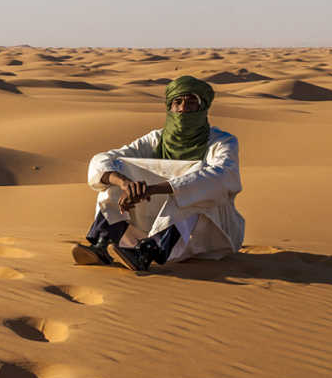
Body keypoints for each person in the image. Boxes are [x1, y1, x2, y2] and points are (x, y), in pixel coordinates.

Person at [72, 75, 244, 272]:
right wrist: (124, 184)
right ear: (169, 107)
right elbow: (102, 159)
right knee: (118, 168)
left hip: (208, 232)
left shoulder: (222, 142)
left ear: (203, 107)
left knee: (196, 186)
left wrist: (152, 190)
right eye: (177, 102)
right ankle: (102, 243)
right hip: (151, 219)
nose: (183, 108)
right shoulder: (156, 139)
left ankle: (148, 252)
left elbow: (222, 177)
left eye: (191, 102)